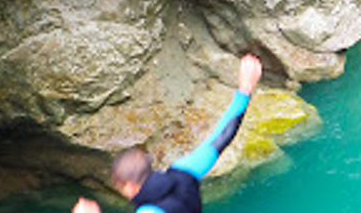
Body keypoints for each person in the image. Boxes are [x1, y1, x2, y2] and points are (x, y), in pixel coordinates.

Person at [72, 54, 263, 213]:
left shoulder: (150, 211)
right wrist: (245, 88)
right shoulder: (184, 171)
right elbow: (222, 137)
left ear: (129, 185)